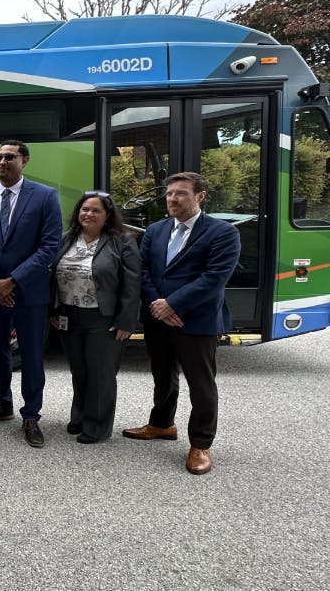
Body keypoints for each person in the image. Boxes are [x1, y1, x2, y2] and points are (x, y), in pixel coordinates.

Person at [123, 172, 240, 475]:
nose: (172, 199)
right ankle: (162, 424)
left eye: (181, 194)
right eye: (170, 193)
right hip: (157, 317)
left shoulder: (222, 233)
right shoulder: (156, 230)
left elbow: (214, 278)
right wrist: (157, 305)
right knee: (163, 376)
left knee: (201, 385)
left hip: (196, 320)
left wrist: (172, 304)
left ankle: (201, 443)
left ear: (200, 196)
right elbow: (144, 270)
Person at [0, 139, 62, 448]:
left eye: (10, 156)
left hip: (29, 292)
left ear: (25, 161)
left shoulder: (45, 196)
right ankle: (2, 403)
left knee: (32, 356)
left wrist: (14, 281)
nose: (2, 161)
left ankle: (31, 414)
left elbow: (49, 246)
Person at [49, 191, 141, 444]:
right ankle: (79, 416)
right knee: (79, 371)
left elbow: (132, 284)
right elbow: (52, 276)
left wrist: (126, 321)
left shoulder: (122, 241)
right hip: (69, 315)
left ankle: (97, 425)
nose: (88, 214)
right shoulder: (67, 239)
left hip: (103, 318)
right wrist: (53, 310)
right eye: (84, 209)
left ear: (107, 215)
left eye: (95, 210)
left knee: (101, 374)